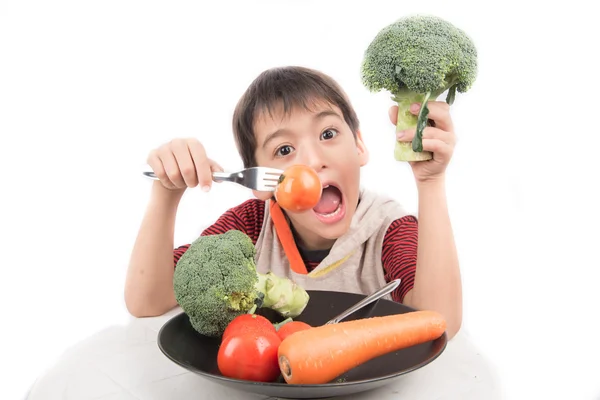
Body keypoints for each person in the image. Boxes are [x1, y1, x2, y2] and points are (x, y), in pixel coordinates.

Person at [124, 66, 463, 339]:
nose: (313, 161)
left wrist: (430, 183)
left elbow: (438, 321)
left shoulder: (389, 229)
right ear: (259, 183)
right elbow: (148, 301)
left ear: (359, 146)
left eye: (328, 134)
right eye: (284, 150)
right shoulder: (251, 226)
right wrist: (165, 196)